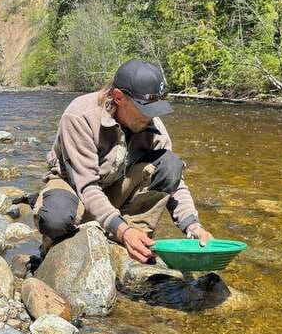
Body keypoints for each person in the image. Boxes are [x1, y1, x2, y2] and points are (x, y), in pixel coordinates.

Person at [34, 59, 213, 264]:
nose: (152, 116)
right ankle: (60, 243)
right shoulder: (79, 116)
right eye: (146, 109)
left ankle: (135, 238)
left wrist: (193, 226)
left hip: (117, 187)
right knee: (56, 220)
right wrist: (123, 231)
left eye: (157, 108)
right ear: (119, 97)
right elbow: (87, 187)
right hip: (75, 185)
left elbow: (175, 184)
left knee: (170, 165)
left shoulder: (153, 126)